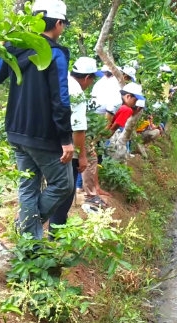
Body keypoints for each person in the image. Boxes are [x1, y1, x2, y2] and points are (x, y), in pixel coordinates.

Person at [0, 0, 74, 239]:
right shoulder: (55, 53)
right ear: (58, 23)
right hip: (44, 135)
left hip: (16, 131)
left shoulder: (15, 47)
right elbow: (61, 100)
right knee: (63, 185)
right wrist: (66, 139)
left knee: (28, 186)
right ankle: (27, 230)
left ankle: (30, 244)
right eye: (63, 25)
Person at [49, 57, 101, 231]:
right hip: (65, 149)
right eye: (92, 79)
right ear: (87, 78)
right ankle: (56, 233)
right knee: (65, 191)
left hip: (44, 143)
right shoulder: (77, 93)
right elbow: (78, 131)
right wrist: (82, 157)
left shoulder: (59, 81)